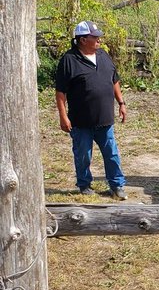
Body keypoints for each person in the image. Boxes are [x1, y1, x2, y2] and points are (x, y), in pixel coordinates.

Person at [55, 20, 128, 200]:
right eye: (94, 37)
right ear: (82, 40)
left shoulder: (103, 55)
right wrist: (63, 116)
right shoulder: (69, 60)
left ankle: (117, 185)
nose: (99, 40)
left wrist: (121, 102)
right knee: (83, 155)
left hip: (105, 119)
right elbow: (60, 92)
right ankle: (85, 185)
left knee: (112, 154)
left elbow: (114, 80)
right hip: (81, 122)